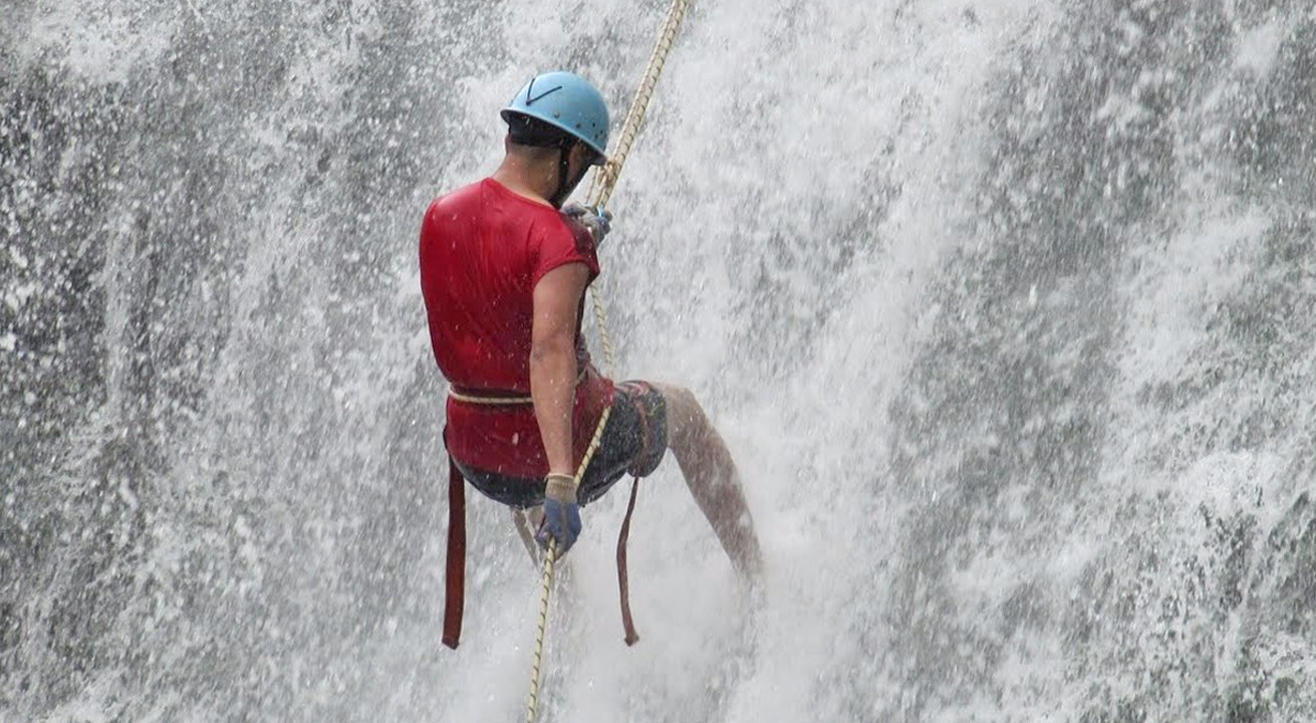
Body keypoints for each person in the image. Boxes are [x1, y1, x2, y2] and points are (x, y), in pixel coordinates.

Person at [419, 71, 763, 646]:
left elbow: (497, 289)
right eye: (583, 166)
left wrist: (569, 242)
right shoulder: (558, 241)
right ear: (571, 154)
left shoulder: (439, 214)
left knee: (516, 440)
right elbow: (548, 349)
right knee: (681, 410)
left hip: (476, 454)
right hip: (565, 449)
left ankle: (573, 616)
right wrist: (561, 479)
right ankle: (754, 574)